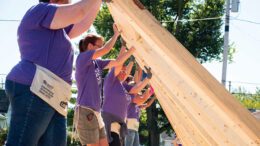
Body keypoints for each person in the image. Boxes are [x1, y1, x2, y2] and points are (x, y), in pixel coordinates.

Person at [4, 0, 110, 145]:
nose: (70, 2)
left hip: (55, 95)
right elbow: (78, 11)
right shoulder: (40, 10)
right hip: (36, 88)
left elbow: (82, 22)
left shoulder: (57, 29)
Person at [74, 24, 136, 146]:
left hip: (96, 113)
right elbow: (106, 49)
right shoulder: (82, 58)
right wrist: (116, 35)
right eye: (98, 46)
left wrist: (133, 49)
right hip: (85, 111)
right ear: (90, 46)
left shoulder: (97, 63)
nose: (100, 50)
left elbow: (118, 62)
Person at [102, 45, 153, 146]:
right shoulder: (110, 80)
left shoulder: (124, 87)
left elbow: (137, 89)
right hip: (108, 125)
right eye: (123, 70)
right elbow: (118, 63)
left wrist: (147, 79)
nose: (125, 73)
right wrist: (124, 48)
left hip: (117, 128)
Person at [125, 67, 155, 146]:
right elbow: (144, 99)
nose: (138, 89)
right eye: (136, 88)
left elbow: (145, 101)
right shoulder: (131, 99)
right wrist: (149, 88)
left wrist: (151, 92)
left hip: (134, 128)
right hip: (130, 127)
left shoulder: (136, 102)